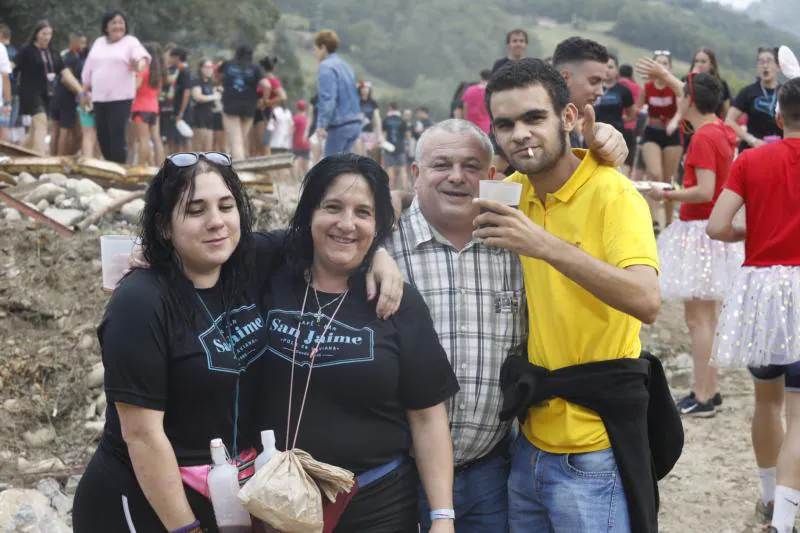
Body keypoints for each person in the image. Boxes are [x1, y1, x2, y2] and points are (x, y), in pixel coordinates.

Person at [73, 151, 405, 533]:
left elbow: (328, 238)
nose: (216, 222)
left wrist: (379, 255)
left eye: (226, 206)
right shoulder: (141, 302)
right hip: (142, 502)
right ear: (165, 226)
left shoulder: (248, 263)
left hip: (224, 493)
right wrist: (185, 528)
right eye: (195, 210)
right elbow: (143, 436)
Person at [478, 57, 663, 533]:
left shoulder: (613, 194)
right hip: (529, 442)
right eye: (506, 124)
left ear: (568, 118)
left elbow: (647, 300)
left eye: (533, 118)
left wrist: (545, 246)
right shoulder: (510, 191)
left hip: (593, 446)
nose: (520, 133)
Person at [257, 154, 459, 533]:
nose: (346, 224)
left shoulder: (397, 301)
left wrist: (442, 517)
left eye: (363, 213)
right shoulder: (271, 278)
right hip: (278, 503)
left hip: (375, 504)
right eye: (332, 207)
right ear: (310, 212)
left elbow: (428, 417)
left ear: (379, 224)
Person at [390, 119, 526, 533]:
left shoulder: (516, 244)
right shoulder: (381, 242)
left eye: (470, 166)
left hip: (489, 471)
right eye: (440, 165)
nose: (455, 176)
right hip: (397, 472)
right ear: (415, 175)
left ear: (489, 178)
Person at [707, 77, 800, 533]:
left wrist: (754, 232)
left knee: (767, 401)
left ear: (778, 117)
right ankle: (784, 521)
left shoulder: (751, 159)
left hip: (762, 289)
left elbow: (717, 226)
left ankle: (767, 499)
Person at [647, 72, 742, 418]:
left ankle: (702, 394)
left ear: (690, 100)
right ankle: (709, 389)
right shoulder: (721, 129)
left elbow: (704, 190)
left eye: (682, 94)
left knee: (699, 320)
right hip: (711, 228)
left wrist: (666, 193)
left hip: (700, 228)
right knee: (707, 320)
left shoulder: (704, 136)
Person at [81, 10, 150, 163]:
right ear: (106, 27)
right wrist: (83, 92)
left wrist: (139, 64)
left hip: (121, 98)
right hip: (99, 98)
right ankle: (111, 167)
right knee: (103, 137)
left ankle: (119, 170)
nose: (118, 26)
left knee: (117, 135)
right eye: (114, 23)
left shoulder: (130, 42)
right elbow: (88, 69)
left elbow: (141, 58)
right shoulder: (99, 43)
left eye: (121, 22)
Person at [13, 20, 84, 154]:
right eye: (43, 33)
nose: (46, 37)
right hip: (29, 92)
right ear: (36, 34)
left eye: (49, 34)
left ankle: (19, 153)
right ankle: (40, 162)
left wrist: (80, 90)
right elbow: (11, 65)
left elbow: (66, 74)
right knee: (42, 122)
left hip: (47, 93)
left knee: (35, 131)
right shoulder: (27, 50)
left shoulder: (53, 53)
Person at [636, 51, 683, 232]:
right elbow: (639, 108)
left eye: (665, 63)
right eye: (658, 62)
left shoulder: (674, 87)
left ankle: (669, 221)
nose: (661, 66)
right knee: (655, 175)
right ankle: (654, 220)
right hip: (652, 133)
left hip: (672, 135)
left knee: (669, 180)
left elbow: (681, 108)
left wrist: (674, 121)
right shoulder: (647, 87)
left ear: (669, 67)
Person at [218, 46, 272, 161]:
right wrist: (264, 100)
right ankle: (240, 163)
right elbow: (267, 85)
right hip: (249, 107)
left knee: (236, 142)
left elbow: (217, 76)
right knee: (241, 140)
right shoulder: (255, 68)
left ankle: (238, 170)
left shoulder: (227, 64)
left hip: (230, 106)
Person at [314, 30, 362, 157]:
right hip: (355, 122)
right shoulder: (346, 65)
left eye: (316, 49)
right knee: (344, 167)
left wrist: (321, 125)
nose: (315, 53)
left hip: (340, 124)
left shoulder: (326, 67)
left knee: (331, 168)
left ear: (323, 47)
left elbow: (328, 98)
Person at [726, 47, 783, 151]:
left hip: (779, 150)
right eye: (761, 62)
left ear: (778, 66)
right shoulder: (748, 92)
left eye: (769, 61)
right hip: (752, 150)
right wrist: (752, 140)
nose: (765, 65)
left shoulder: (785, 93)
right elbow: (729, 120)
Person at [51, 31, 86, 155]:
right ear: (74, 42)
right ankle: (60, 158)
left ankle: (52, 157)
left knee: (55, 129)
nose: (84, 45)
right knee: (65, 130)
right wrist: (79, 93)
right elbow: (66, 79)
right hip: (67, 97)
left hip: (57, 95)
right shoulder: (71, 57)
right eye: (82, 42)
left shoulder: (64, 55)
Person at [131, 42, 165, 166]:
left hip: (140, 107)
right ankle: (161, 168)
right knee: (157, 139)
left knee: (143, 140)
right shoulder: (159, 72)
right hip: (154, 108)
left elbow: (136, 86)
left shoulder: (144, 68)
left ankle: (140, 167)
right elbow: (158, 92)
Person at [160, 47, 192, 155]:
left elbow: (186, 92)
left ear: (177, 58)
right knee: (171, 139)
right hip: (172, 110)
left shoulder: (184, 71)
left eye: (171, 57)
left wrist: (181, 112)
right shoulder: (175, 70)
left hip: (181, 111)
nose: (170, 59)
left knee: (182, 139)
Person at [595, 54, 635, 138]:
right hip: (594, 134)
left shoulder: (624, 91)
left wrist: (619, 122)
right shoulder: (593, 88)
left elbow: (631, 115)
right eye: (604, 66)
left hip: (615, 135)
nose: (607, 70)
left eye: (610, 67)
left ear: (617, 70)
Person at [191, 58, 223, 153]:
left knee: (208, 150)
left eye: (211, 67)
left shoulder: (210, 82)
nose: (209, 69)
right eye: (206, 67)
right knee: (198, 148)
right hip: (199, 116)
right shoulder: (197, 80)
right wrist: (213, 97)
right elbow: (198, 96)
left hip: (210, 116)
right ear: (201, 68)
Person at [618, 64, 642, 177]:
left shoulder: (615, 85)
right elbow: (638, 108)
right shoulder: (636, 87)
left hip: (615, 125)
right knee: (627, 160)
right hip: (630, 127)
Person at [383, 102, 409, 190]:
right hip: (400, 147)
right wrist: (407, 145)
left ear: (390, 108)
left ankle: (391, 193)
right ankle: (406, 191)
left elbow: (384, 135)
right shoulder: (402, 120)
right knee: (403, 170)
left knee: (390, 170)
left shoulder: (386, 120)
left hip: (389, 148)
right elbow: (407, 134)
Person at [357, 80, 382, 160]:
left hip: (370, 133)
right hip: (358, 133)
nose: (365, 90)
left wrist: (378, 137)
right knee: (360, 156)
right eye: (363, 88)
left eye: (367, 88)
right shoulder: (355, 102)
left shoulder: (373, 103)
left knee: (369, 157)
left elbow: (377, 120)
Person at [461, 70, 491, 134]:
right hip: (487, 129)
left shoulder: (469, 90)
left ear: (481, 78)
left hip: (471, 128)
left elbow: (465, 110)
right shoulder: (491, 92)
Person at [292, 99, 311, 180]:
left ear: (297, 108)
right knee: (306, 162)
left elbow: (292, 130)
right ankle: (307, 179)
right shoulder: (308, 119)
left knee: (295, 160)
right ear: (305, 108)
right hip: (306, 143)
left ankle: (295, 178)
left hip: (296, 142)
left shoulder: (294, 118)